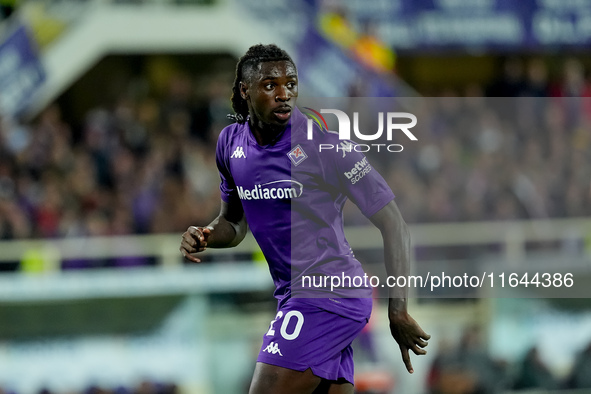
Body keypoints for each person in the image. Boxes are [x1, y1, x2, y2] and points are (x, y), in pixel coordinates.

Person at [180, 43, 430, 394]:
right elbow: (234, 224)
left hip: (330, 294)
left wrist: (398, 309)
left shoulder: (325, 146)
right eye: (270, 85)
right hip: (293, 295)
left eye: (291, 84)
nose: (284, 94)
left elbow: (395, 225)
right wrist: (206, 234)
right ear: (244, 90)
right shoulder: (230, 144)